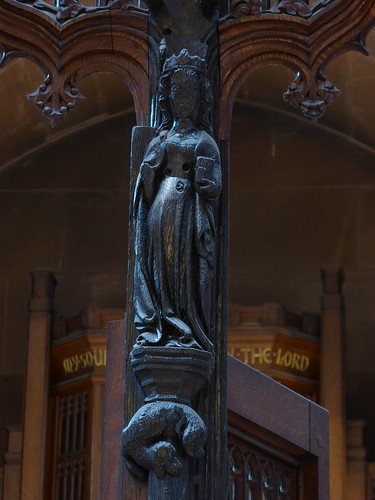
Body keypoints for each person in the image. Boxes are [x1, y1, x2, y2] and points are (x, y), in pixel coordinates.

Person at [133, 49, 222, 351]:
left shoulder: (205, 142)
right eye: (178, 92)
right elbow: (145, 195)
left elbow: (215, 185)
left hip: (188, 216)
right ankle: (164, 320)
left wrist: (208, 184)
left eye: (190, 93)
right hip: (161, 212)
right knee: (163, 269)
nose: (184, 99)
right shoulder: (160, 140)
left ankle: (186, 325)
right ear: (168, 96)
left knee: (184, 270)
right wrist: (146, 179)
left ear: (201, 98)